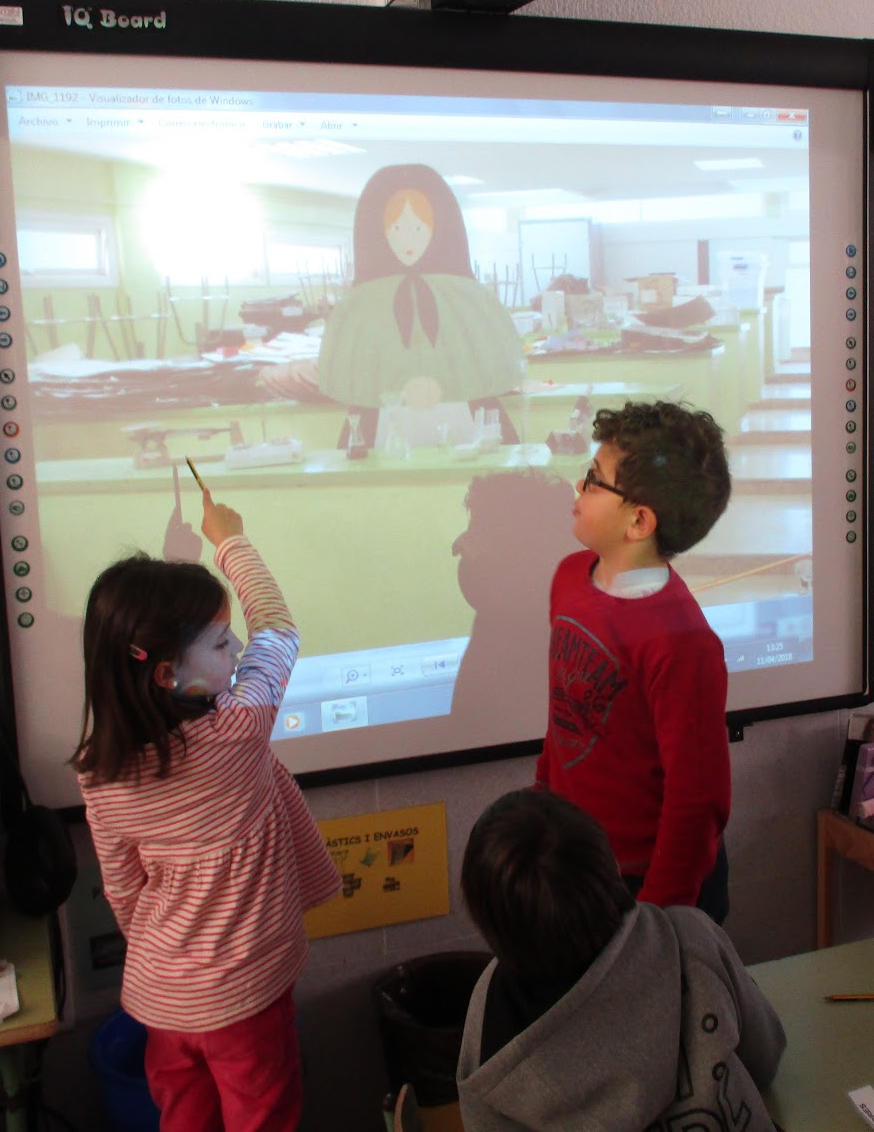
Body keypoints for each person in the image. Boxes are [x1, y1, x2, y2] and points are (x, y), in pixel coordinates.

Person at [72, 490, 339, 1132]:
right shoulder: (237, 733)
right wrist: (231, 540)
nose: (239, 648)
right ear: (166, 675)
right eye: (221, 644)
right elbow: (278, 630)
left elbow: (124, 892)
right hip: (245, 999)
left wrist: (176, 961)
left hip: (163, 998)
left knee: (183, 1119)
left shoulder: (98, 773)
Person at [456, 789, 786, 1132]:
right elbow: (765, 1057)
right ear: (612, 865)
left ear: (484, 925)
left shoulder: (488, 1019)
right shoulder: (690, 938)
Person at [539, 399, 734, 921]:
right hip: (579, 863)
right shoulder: (569, 578)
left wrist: (657, 918)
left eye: (593, 480)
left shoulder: (682, 643)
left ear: (639, 521)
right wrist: (543, 809)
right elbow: (565, 719)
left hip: (651, 886)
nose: (579, 487)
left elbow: (698, 799)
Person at [317, 163, 525, 452]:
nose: (408, 240)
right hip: (382, 428)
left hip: (467, 426)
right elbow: (357, 370)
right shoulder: (363, 306)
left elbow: (487, 361)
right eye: (396, 229)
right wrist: (401, 387)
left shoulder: (466, 299)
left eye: (418, 228)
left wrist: (441, 384)